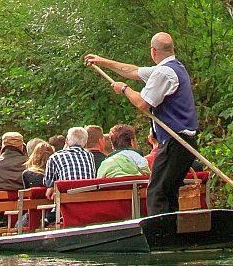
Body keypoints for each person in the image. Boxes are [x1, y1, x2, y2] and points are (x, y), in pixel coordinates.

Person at [86, 32, 200, 216]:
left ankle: (161, 235)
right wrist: (102, 61)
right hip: (183, 141)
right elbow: (131, 71)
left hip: (175, 140)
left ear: (153, 51)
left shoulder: (163, 72)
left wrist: (124, 89)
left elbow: (142, 103)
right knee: (168, 191)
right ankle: (172, 231)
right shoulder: (173, 68)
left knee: (157, 193)